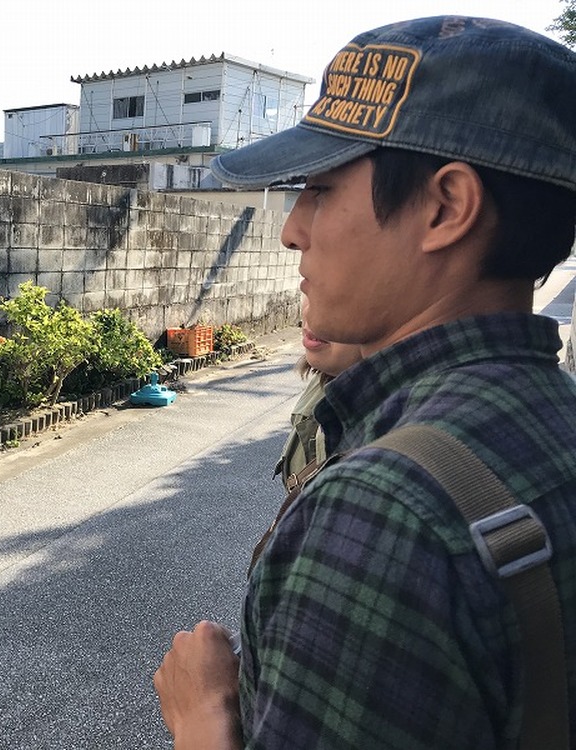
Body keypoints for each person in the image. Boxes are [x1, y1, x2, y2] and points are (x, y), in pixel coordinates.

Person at [155, 16, 576, 749]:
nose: (292, 229)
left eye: (319, 188)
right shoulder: (552, 419)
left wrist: (202, 719)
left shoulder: (385, 511)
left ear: (446, 208)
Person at [274, 298, 361, 491]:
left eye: (341, 297)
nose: (310, 312)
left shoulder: (387, 424)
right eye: (308, 288)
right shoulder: (327, 373)